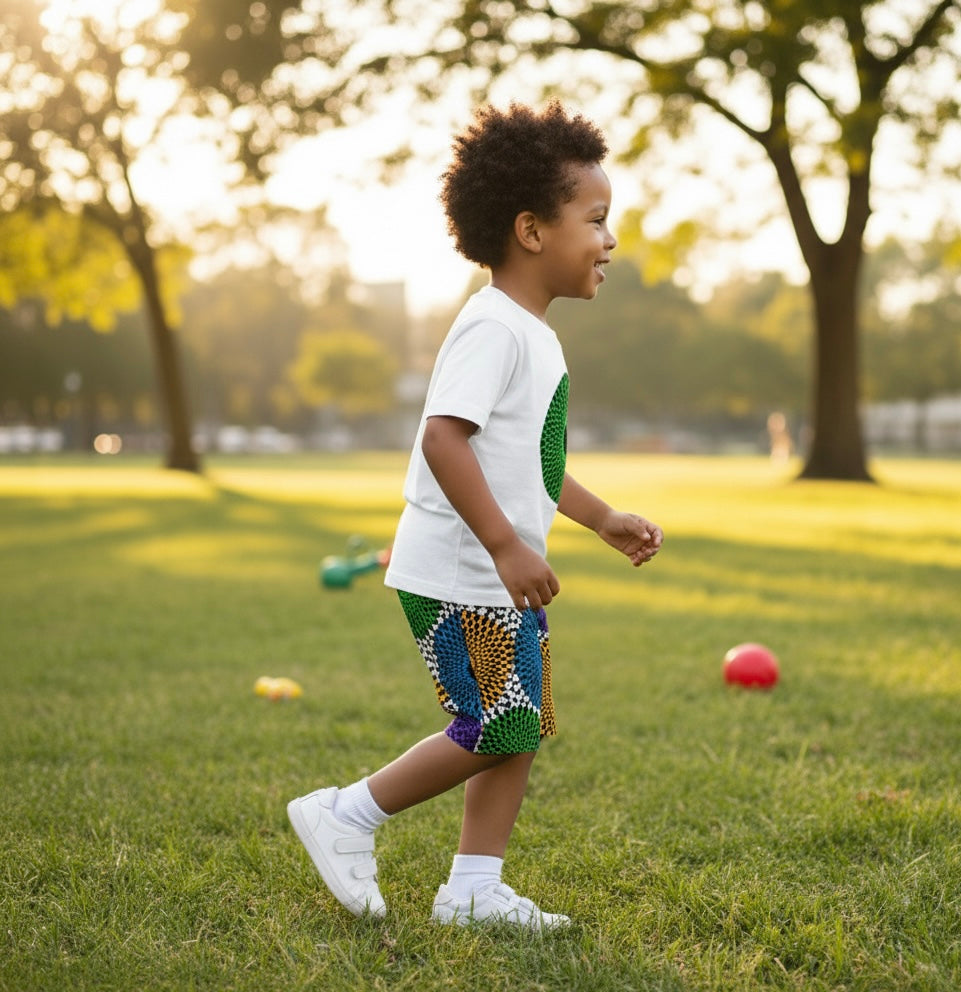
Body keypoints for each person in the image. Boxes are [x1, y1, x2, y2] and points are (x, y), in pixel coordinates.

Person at [287, 101, 663, 931]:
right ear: (530, 230)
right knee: (497, 722)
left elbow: (534, 463)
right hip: (461, 570)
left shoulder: (533, 335)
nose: (609, 240)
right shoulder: (493, 327)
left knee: (519, 723)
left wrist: (602, 518)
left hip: (494, 573)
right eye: (595, 219)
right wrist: (503, 546)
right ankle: (345, 814)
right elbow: (442, 439)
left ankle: (472, 888)